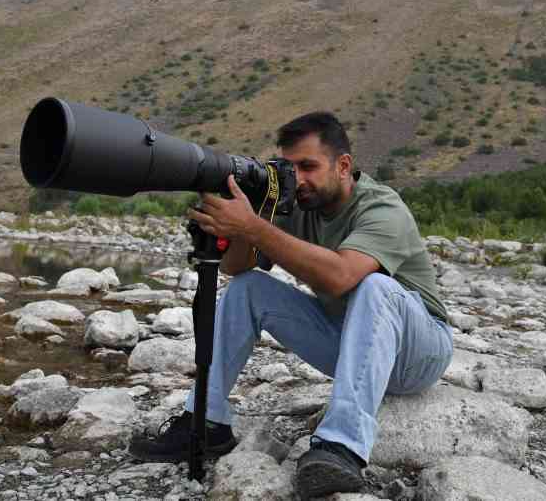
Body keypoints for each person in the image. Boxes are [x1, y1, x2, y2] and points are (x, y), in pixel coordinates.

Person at [129, 112, 453, 498]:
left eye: (309, 166)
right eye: (290, 167)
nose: (297, 178)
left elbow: (340, 276)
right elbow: (237, 267)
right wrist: (239, 219)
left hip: (419, 351)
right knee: (248, 288)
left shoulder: (383, 208)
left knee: (375, 286)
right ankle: (206, 422)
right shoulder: (299, 204)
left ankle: (342, 448)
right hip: (354, 343)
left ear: (343, 165)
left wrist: (254, 228)